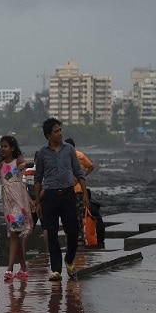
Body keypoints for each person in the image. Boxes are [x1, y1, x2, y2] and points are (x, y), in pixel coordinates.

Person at [34, 118, 89, 281]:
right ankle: (56, 269)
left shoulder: (69, 149)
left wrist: (85, 194)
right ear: (48, 135)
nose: (60, 133)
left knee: (73, 230)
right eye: (56, 131)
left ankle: (69, 260)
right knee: (51, 234)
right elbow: (38, 179)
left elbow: (79, 172)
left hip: (68, 194)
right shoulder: (42, 153)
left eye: (60, 130)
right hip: (50, 197)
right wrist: (37, 202)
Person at [0, 135, 34, 280]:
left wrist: (23, 165)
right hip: (8, 203)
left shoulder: (17, 160)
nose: (3, 149)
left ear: (12, 148)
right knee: (15, 234)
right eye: (1, 146)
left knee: (14, 234)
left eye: (5, 146)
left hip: (19, 202)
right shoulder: (0, 164)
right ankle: (24, 268)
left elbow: (31, 163)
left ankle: (10, 268)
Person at [63, 138, 95, 244]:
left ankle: (72, 234)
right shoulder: (80, 155)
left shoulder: (65, 156)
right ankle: (80, 235)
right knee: (80, 213)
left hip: (68, 189)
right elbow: (91, 166)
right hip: (80, 189)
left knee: (69, 213)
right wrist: (83, 176)